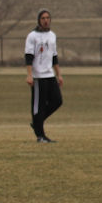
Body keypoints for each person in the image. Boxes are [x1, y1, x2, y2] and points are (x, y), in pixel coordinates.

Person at [25, 9, 64, 143]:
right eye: (43, 18)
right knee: (39, 106)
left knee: (57, 101)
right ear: (39, 20)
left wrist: (59, 74)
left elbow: (54, 56)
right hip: (38, 76)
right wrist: (29, 75)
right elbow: (29, 57)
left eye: (48, 18)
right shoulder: (32, 36)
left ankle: (37, 122)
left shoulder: (52, 35)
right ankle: (40, 135)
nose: (46, 20)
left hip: (49, 75)